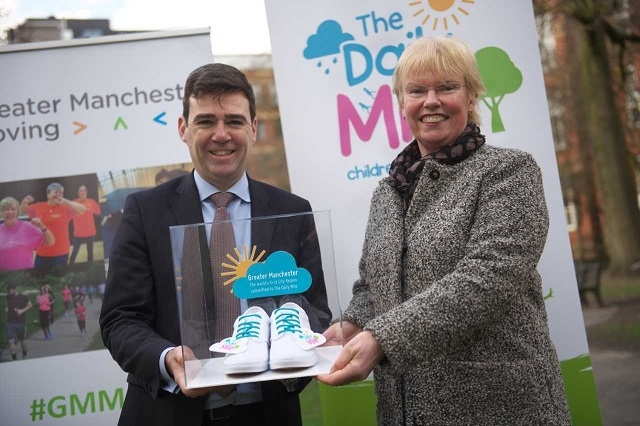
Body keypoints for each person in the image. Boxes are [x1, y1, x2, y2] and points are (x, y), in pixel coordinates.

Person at [316, 36, 572, 425]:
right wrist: (349, 326)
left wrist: (382, 338)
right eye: (417, 90)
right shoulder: (388, 191)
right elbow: (374, 285)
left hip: (500, 406)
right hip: (403, 408)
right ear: (402, 103)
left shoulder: (509, 172)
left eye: (447, 87)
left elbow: (487, 278)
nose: (431, 101)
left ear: (471, 97)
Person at [99, 63, 331, 426]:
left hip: (267, 414)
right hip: (169, 413)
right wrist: (167, 359)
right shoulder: (145, 211)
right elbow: (120, 319)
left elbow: (314, 310)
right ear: (183, 129)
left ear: (253, 129)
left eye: (234, 122)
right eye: (206, 121)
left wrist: (299, 348)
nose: (221, 135)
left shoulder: (292, 212)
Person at [20, 183, 86, 268]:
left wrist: (66, 201)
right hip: (41, 252)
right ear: (48, 194)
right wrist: (24, 202)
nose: (58, 194)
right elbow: (22, 211)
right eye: (56, 192)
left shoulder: (65, 208)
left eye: (61, 193)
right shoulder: (39, 206)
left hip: (61, 253)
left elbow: (82, 210)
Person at [0, 196, 54, 271]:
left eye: (13, 209)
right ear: (1, 213)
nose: (10, 212)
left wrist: (42, 227)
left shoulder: (28, 227)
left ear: (17, 212)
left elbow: (50, 242)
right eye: (6, 209)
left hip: (25, 277)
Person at [69, 185, 101, 264]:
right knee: (74, 253)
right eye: (81, 191)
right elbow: (68, 216)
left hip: (90, 233)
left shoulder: (92, 202)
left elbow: (99, 211)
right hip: (78, 234)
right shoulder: (73, 203)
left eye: (84, 190)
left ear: (86, 192)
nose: (83, 192)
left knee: (90, 254)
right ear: (78, 193)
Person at [5, 283, 33, 360]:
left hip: (20, 322)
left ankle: (25, 355)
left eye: (10, 292)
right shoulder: (8, 297)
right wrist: (7, 308)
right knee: (11, 341)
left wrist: (22, 310)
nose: (9, 293)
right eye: (8, 292)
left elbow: (30, 305)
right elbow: (8, 304)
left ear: (14, 289)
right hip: (10, 322)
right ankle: (14, 359)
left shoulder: (23, 297)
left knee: (23, 340)